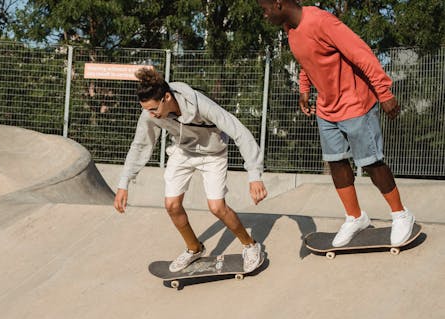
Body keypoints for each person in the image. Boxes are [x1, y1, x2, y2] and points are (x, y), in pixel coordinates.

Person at [257, 0, 415, 247]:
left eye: (264, 10)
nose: (264, 16)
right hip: (327, 108)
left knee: (371, 163)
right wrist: (305, 89)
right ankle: (355, 217)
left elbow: (360, 52)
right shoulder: (290, 29)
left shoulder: (321, 21)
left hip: (355, 103)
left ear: (278, 4)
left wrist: (384, 93)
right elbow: (307, 60)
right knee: (336, 162)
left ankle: (401, 213)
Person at [114, 68, 268, 272]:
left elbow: (239, 131)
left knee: (217, 207)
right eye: (147, 110)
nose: (151, 114)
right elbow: (141, 145)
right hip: (182, 151)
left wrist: (254, 175)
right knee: (171, 205)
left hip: (212, 153)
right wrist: (124, 183)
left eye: (153, 109)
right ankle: (194, 248)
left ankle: (250, 245)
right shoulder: (150, 114)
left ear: (166, 97)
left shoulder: (200, 104)